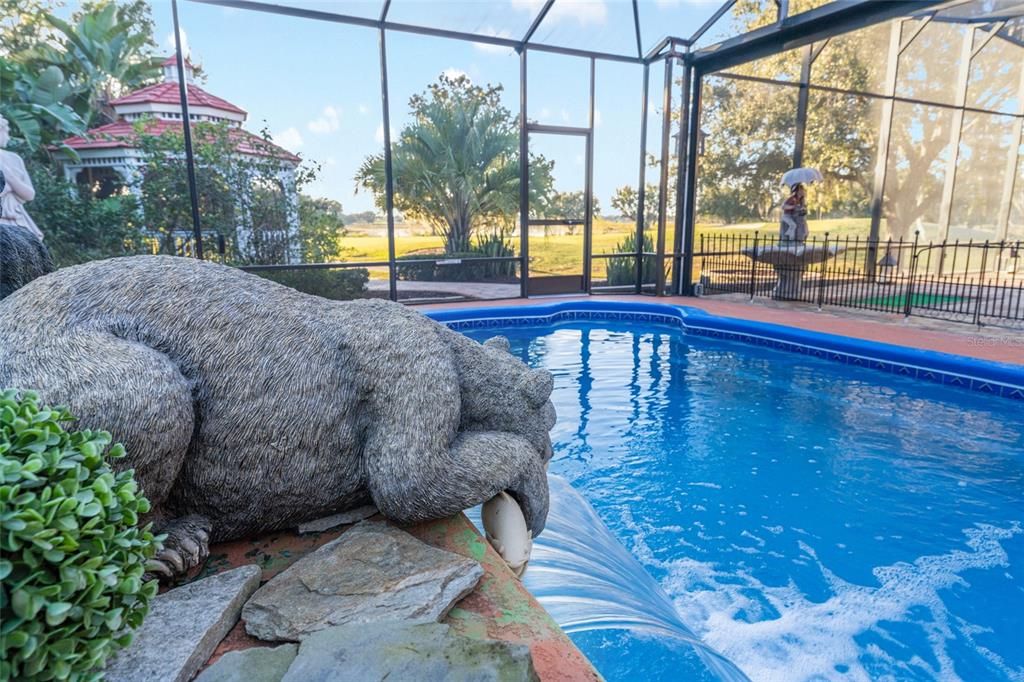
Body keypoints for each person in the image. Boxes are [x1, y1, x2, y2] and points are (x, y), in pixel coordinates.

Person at [0, 115, 44, 242]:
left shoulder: (14, 159)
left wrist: (10, 178)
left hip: (17, 218)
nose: (8, 137)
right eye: (5, 132)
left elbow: (30, 195)